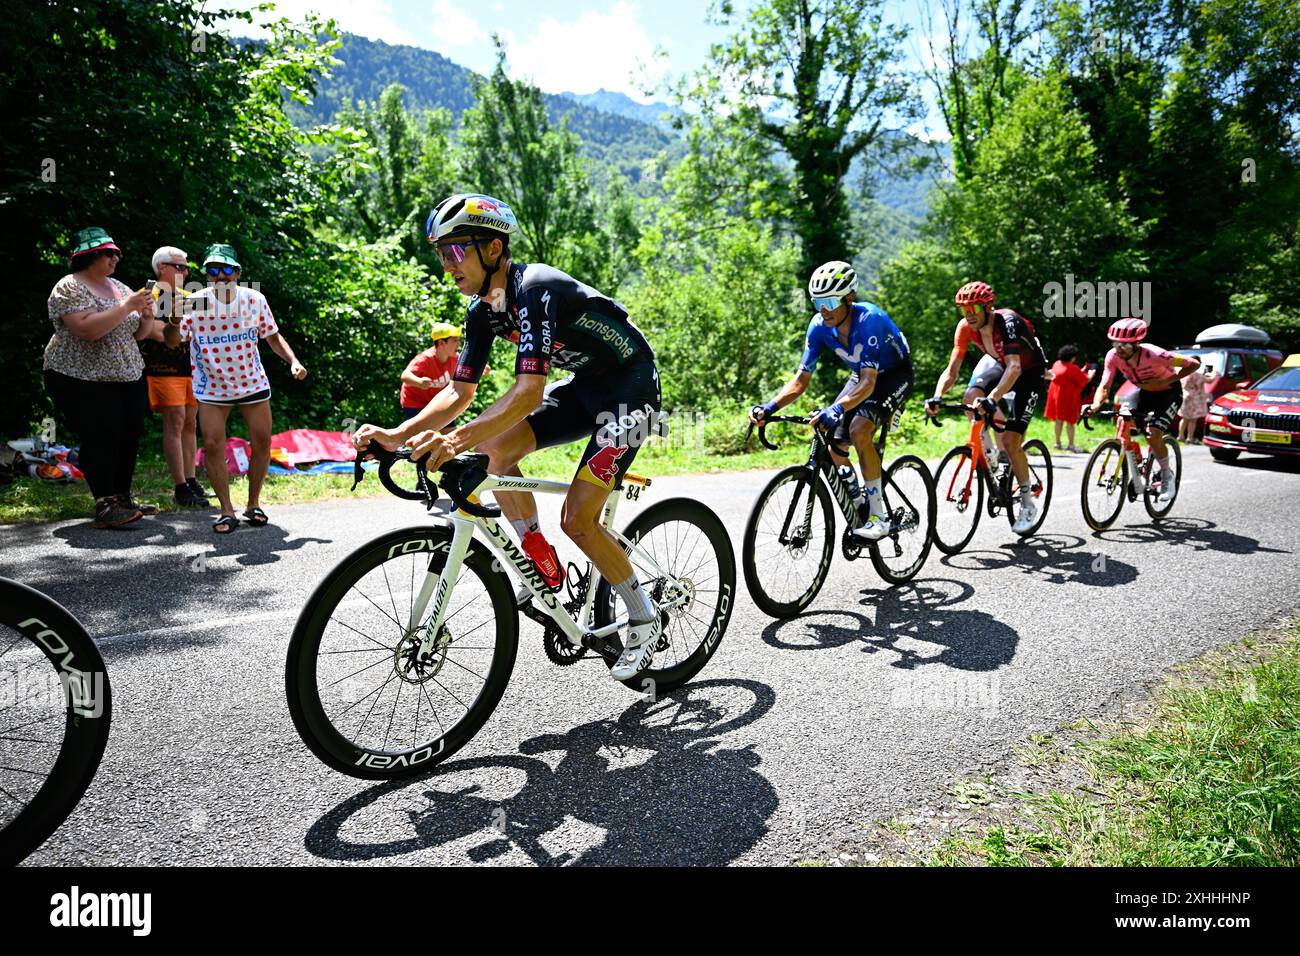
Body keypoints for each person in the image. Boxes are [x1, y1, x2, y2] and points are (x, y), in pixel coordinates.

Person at [351, 193, 663, 681]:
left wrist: (454, 440)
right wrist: (397, 434)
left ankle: (645, 613)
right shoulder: (481, 312)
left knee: (579, 521)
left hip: (633, 392)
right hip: (586, 389)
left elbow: (527, 392)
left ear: (493, 250)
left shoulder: (535, 288)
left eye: (456, 252)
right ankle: (537, 554)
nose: (447, 265)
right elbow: (458, 392)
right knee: (493, 449)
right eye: (441, 254)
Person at [748, 261, 912, 540]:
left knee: (859, 430)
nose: (824, 309)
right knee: (832, 443)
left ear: (849, 298)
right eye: (817, 302)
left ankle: (879, 516)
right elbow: (801, 380)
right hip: (860, 376)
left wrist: (836, 409)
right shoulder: (819, 326)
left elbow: (870, 383)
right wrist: (770, 407)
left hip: (892, 376)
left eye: (831, 301)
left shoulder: (869, 319)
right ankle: (859, 502)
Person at [164, 244, 307, 533]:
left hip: (251, 382)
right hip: (212, 386)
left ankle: (253, 504)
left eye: (226, 269)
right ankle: (226, 511)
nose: (220, 276)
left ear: (238, 273)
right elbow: (170, 341)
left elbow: (273, 337)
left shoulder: (254, 299)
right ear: (207, 275)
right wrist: (174, 318)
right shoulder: (194, 301)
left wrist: (293, 361)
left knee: (263, 442)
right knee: (214, 444)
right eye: (213, 271)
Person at [43, 227, 157, 528]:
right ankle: (105, 504)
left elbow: (139, 335)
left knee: (129, 434)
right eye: (109, 253)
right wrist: (128, 306)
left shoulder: (118, 286)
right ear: (89, 256)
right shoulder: (69, 286)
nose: (115, 258)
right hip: (79, 375)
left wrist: (145, 315)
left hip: (126, 374)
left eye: (116, 252)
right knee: (101, 434)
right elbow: (88, 330)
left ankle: (121, 498)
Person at [925, 280, 1049, 534]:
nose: (969, 316)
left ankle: (1027, 504)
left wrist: (992, 398)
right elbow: (952, 370)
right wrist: (937, 395)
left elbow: (1015, 367)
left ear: (988, 307)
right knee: (970, 397)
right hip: (998, 362)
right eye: (964, 310)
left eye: (974, 310)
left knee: (1013, 442)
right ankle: (990, 452)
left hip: (1029, 371)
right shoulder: (965, 328)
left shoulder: (1008, 322)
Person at [1087, 318, 1201, 504]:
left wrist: (1165, 381)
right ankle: (1137, 461)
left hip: (1168, 394)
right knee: (1122, 419)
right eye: (1116, 344)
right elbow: (1105, 385)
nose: (1119, 349)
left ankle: (1166, 475)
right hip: (1143, 393)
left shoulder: (1156, 354)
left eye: (1125, 345)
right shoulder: (1112, 356)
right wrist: (1095, 405)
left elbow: (1194, 364)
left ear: (1137, 343)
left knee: (1153, 434)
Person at [139, 246, 211, 507]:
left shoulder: (190, 296)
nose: (186, 271)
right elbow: (155, 332)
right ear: (162, 268)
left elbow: (208, 326)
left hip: (191, 368)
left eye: (187, 267)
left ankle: (191, 480)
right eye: (180, 267)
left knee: (191, 422)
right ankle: (180, 487)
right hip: (163, 369)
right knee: (176, 421)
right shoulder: (147, 295)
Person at [399, 323, 461, 420]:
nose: (459, 344)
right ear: (441, 343)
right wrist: (419, 382)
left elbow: (468, 368)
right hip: (415, 403)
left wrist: (481, 369)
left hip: (436, 402)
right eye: (454, 340)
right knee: (418, 434)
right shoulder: (425, 359)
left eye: (458, 340)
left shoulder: (455, 358)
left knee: (451, 432)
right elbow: (405, 375)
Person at [1044, 344, 1092, 452]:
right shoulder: (1072, 368)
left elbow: (1065, 374)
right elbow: (1085, 379)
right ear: (1072, 357)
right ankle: (1071, 445)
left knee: (1059, 420)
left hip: (1057, 397)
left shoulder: (1057, 364)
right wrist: (1091, 374)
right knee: (1070, 421)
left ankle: (1057, 443)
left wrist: (1081, 370)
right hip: (1069, 398)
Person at [1177, 365, 1209, 444]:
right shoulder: (1197, 374)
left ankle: (1180, 436)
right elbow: (1209, 381)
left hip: (1185, 396)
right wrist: (1214, 373)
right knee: (1193, 420)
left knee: (1184, 418)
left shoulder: (1184, 373)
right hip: (1194, 398)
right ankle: (1189, 437)